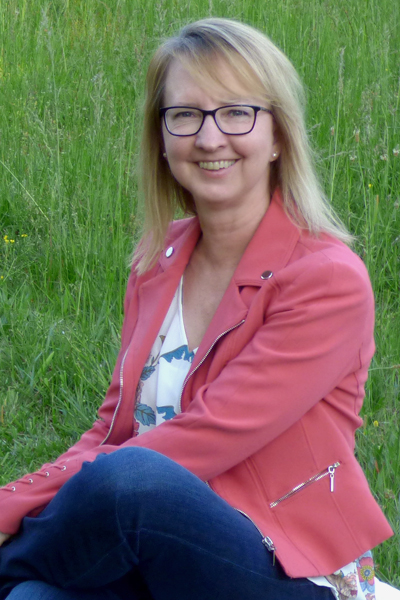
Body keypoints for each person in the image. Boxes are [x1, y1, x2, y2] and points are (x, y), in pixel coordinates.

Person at [0, 17, 395, 600]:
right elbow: (111, 431)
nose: (210, 138)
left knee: (131, 480)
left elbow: (200, 440)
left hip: (285, 567)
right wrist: (10, 503)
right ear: (161, 138)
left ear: (279, 135)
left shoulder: (327, 280)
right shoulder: (157, 265)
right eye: (185, 115)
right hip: (157, 543)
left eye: (237, 112)